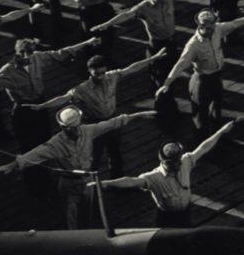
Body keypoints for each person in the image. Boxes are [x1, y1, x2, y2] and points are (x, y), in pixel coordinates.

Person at [0, 105, 157, 229]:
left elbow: (112, 123)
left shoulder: (88, 130)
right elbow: (36, 154)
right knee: (70, 217)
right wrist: (13, 164)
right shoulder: (56, 143)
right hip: (68, 184)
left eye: (78, 126)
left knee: (89, 211)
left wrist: (138, 115)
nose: (77, 130)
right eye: (72, 128)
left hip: (88, 180)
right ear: (63, 128)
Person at [31, 49, 168, 176]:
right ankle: (91, 183)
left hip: (112, 120)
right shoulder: (82, 89)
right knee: (94, 156)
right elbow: (64, 98)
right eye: (97, 74)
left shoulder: (112, 77)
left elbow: (131, 68)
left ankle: (117, 178)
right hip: (95, 125)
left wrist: (153, 58)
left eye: (103, 72)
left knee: (115, 153)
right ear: (89, 71)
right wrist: (42, 106)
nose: (101, 76)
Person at [0, 37, 95, 150]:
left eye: (31, 51)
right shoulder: (8, 71)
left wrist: (87, 42)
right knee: (27, 144)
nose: (29, 56)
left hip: (40, 104)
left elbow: (60, 53)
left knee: (45, 138)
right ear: (18, 52)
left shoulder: (37, 57)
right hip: (23, 110)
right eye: (26, 53)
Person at [104, 122, 241, 227]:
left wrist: (221, 131)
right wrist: (105, 183)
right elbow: (131, 181)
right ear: (166, 162)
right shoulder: (154, 178)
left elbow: (204, 147)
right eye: (175, 162)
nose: (179, 163)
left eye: (179, 159)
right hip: (167, 219)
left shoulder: (185, 162)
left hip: (185, 214)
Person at [158, 8, 244, 134]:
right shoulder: (193, 45)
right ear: (200, 26)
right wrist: (167, 82)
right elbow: (181, 64)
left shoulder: (217, 29)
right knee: (200, 114)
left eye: (212, 26)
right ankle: (201, 138)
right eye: (208, 27)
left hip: (216, 77)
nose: (211, 30)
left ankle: (218, 136)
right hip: (201, 82)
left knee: (217, 107)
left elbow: (233, 24)